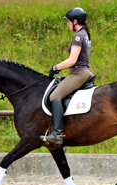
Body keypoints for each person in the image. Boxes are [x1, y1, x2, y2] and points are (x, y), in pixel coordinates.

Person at [40, 7, 93, 145]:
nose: (67, 24)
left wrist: (55, 68)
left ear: (75, 21)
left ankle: (57, 133)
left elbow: (72, 60)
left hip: (78, 73)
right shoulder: (84, 34)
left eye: (68, 21)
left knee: (54, 96)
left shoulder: (78, 36)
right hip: (82, 72)